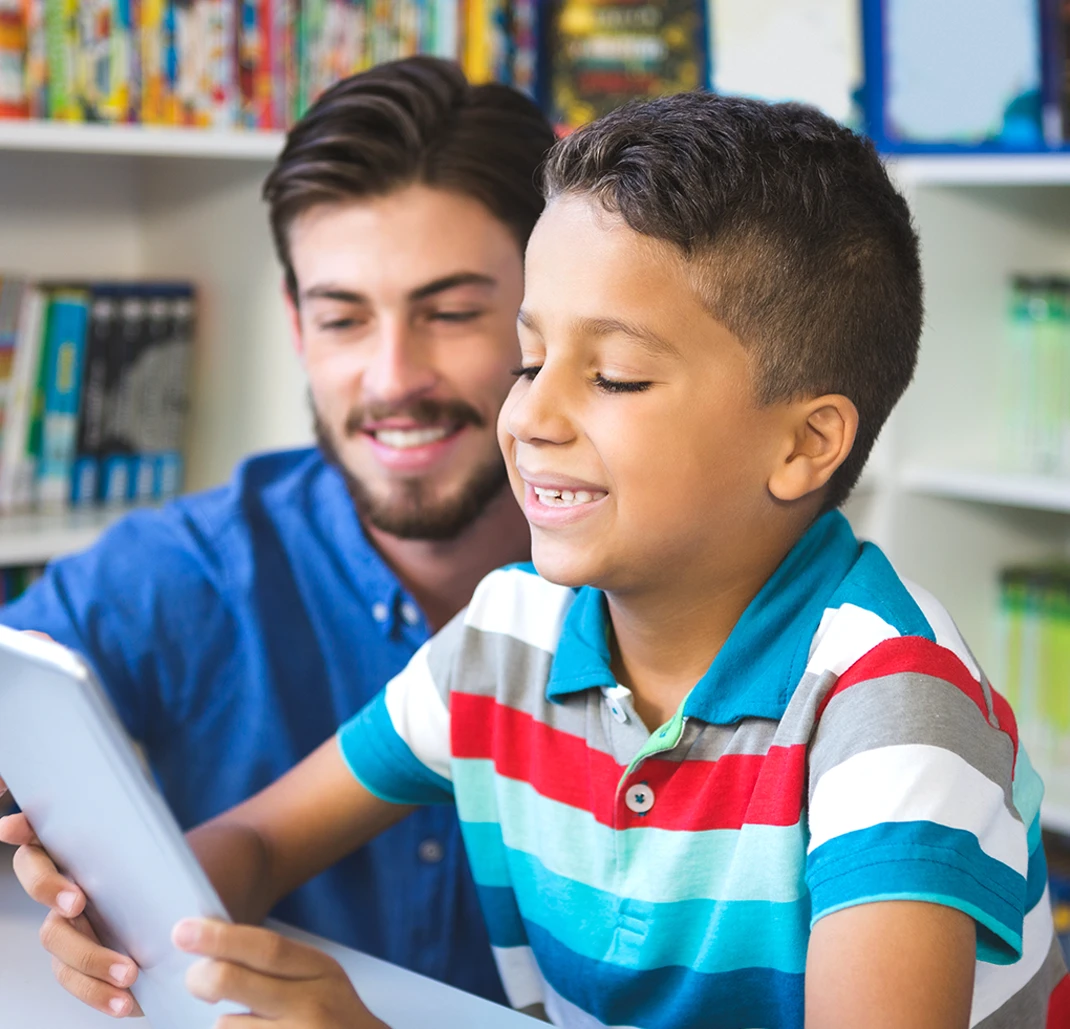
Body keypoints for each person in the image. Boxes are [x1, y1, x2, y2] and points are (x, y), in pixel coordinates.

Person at [6, 91, 1069, 1027]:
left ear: (801, 444)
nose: (527, 414)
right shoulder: (510, 634)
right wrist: (125, 910)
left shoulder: (892, 721)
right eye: (529, 356)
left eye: (610, 377)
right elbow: (258, 845)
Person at [0, 56, 555, 1004]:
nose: (393, 377)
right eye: (343, 318)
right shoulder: (188, 569)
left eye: (453, 311)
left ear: (550, 317)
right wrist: (66, 875)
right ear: (298, 327)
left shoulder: (659, 592)